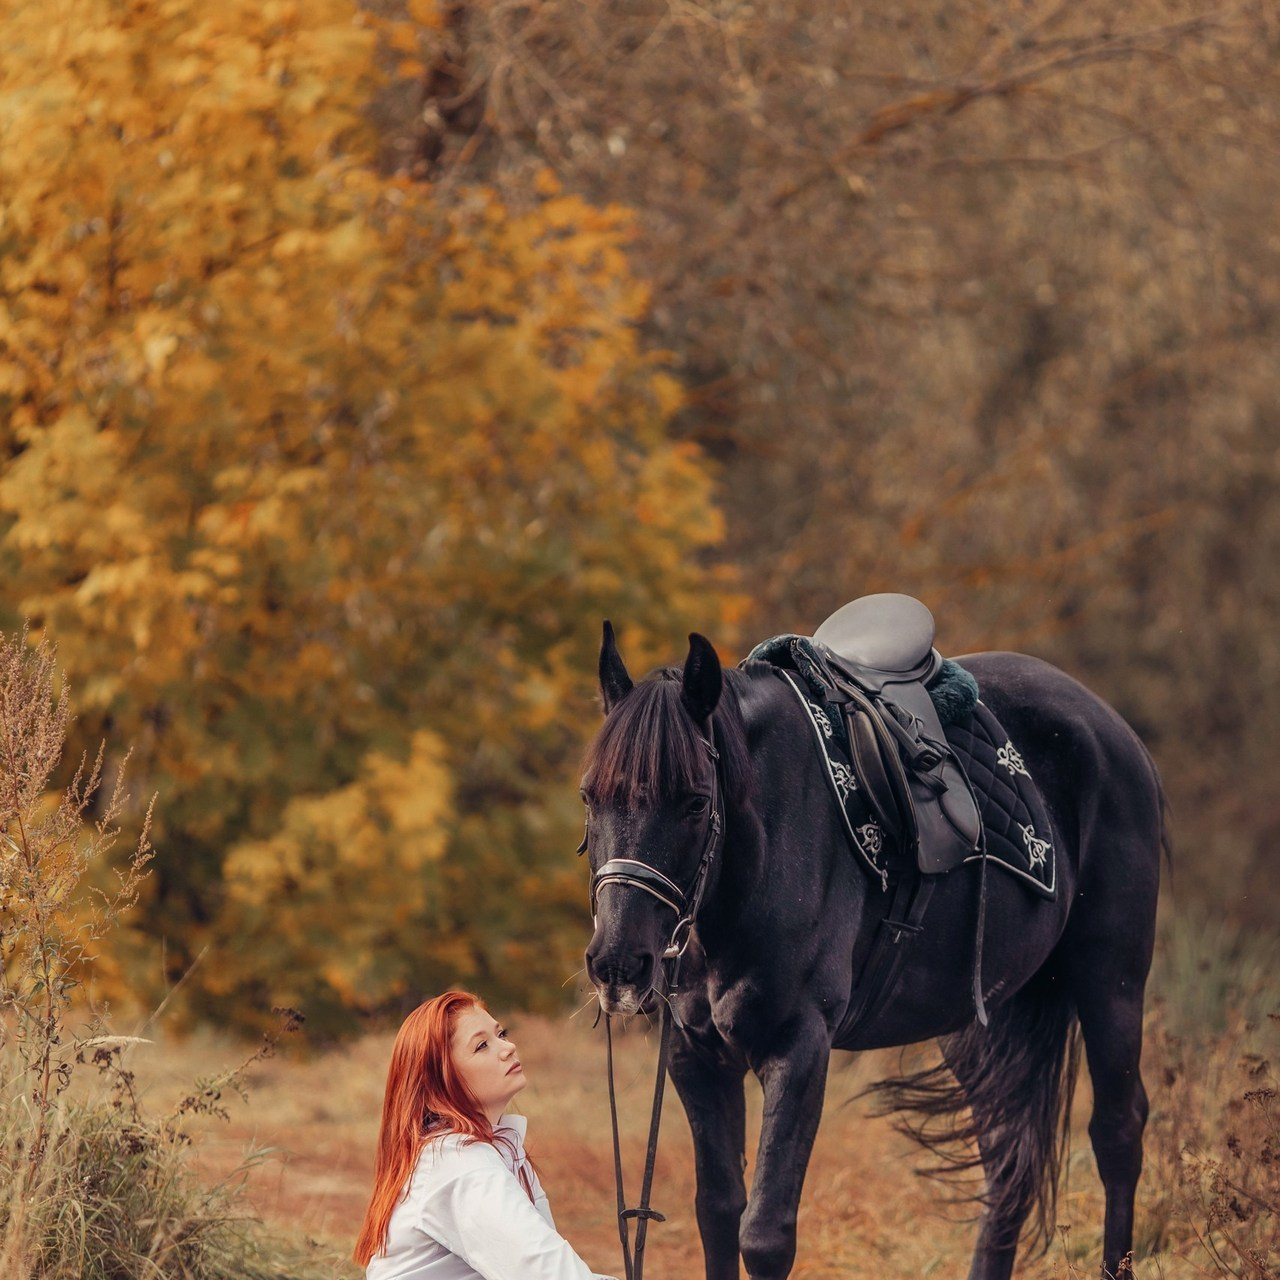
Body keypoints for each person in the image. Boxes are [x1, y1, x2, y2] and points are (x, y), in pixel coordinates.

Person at [354, 990, 619, 1280]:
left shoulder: (496, 1146)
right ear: (440, 1079)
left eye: (501, 1034)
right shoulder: (458, 1163)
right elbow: (546, 1270)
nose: (508, 1047)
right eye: (482, 1046)